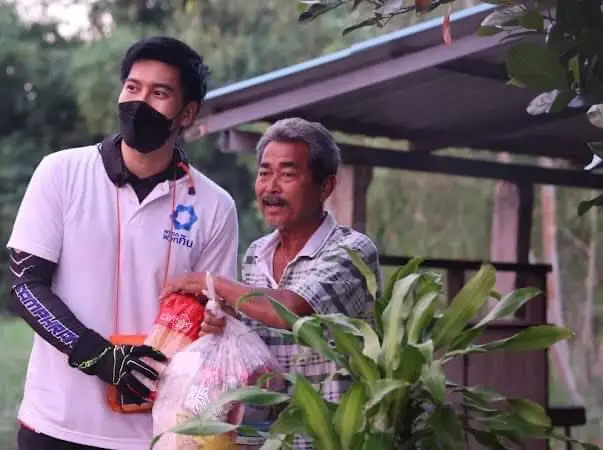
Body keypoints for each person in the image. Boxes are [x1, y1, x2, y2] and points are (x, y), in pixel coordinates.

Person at [7, 36, 239, 450]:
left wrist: (216, 322)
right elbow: (26, 286)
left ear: (187, 113)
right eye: (133, 88)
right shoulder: (61, 172)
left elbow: (214, 315)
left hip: (159, 434)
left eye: (159, 93)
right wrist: (100, 356)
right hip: (54, 425)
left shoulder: (214, 205)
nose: (139, 103)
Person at [161, 117, 382, 448]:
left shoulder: (352, 251)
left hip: (331, 439)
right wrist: (224, 323)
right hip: (265, 441)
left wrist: (210, 282)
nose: (271, 187)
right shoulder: (255, 254)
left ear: (325, 187)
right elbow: (256, 345)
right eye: (264, 173)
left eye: (287, 175)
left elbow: (293, 309)